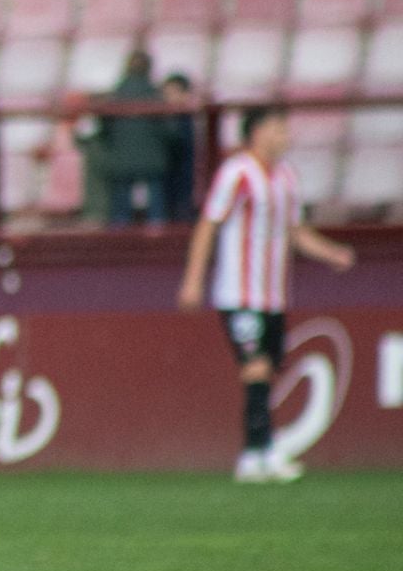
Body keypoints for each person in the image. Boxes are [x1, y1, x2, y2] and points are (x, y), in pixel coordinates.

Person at [177, 106, 356, 484]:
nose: (284, 136)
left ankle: (258, 452)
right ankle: (259, 450)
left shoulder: (286, 177)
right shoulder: (236, 174)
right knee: (255, 366)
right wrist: (193, 280)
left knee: (269, 369)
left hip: (273, 295)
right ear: (256, 133)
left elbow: (295, 231)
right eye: (277, 129)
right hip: (238, 293)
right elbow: (209, 224)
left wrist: (331, 252)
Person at [97, 49, 173, 227]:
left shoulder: (115, 96)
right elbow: (168, 130)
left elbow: (104, 129)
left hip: (121, 159)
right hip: (153, 159)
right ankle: (157, 233)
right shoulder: (156, 96)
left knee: (120, 211)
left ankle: (118, 239)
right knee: (156, 207)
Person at [160, 72, 198, 222]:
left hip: (183, 171)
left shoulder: (185, 119)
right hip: (169, 171)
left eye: (173, 93)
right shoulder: (165, 118)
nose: (168, 98)